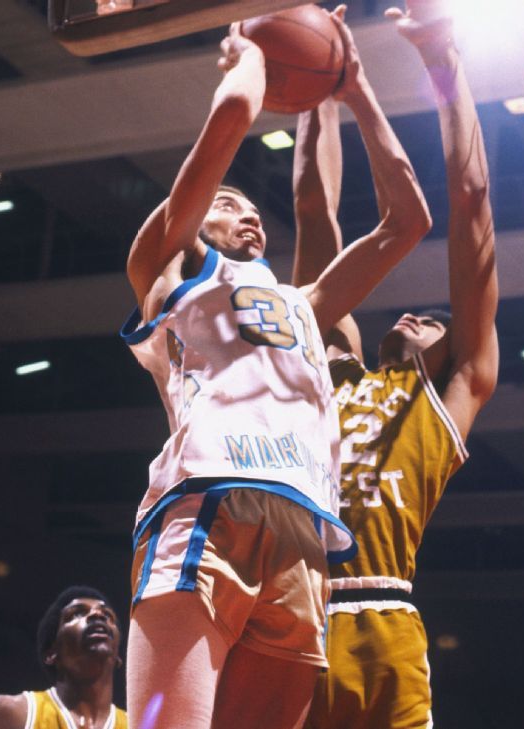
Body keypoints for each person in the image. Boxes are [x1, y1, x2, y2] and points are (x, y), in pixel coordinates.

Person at [119, 7, 431, 729]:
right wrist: (251, 50)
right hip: (212, 501)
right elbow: (233, 112)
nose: (248, 215)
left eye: (253, 209)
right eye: (228, 204)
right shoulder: (163, 268)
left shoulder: (305, 303)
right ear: (193, 217)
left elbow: (408, 221)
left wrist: (355, 90)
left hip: (303, 533)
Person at [294, 2, 501, 727]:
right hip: (294, 613)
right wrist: (324, 85)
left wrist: (445, 64)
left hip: (383, 620)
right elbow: (315, 214)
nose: (418, 313)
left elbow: (471, 201)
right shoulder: (333, 366)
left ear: (451, 355)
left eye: (437, 321)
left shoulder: (450, 398)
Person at [0, 586, 127, 729]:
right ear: (51, 653)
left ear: (118, 654)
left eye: (107, 615)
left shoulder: (136, 724)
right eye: (76, 614)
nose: (97, 615)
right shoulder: (6, 715)